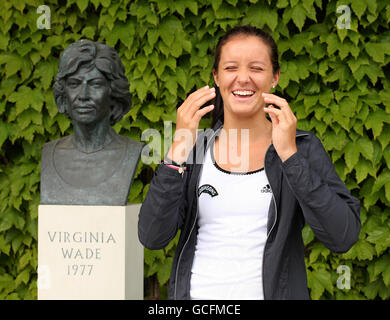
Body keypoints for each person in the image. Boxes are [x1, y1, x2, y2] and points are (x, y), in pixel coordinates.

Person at [138, 25, 360, 300]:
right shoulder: (195, 149)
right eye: (231, 68)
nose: (243, 78)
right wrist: (178, 150)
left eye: (256, 68)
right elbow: (152, 236)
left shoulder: (302, 148)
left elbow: (343, 235)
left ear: (275, 77)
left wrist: (290, 157)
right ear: (216, 77)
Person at [41, 40, 143, 206]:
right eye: (74, 84)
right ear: (63, 92)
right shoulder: (49, 152)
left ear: (113, 92)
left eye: (95, 84)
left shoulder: (131, 151)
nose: (83, 95)